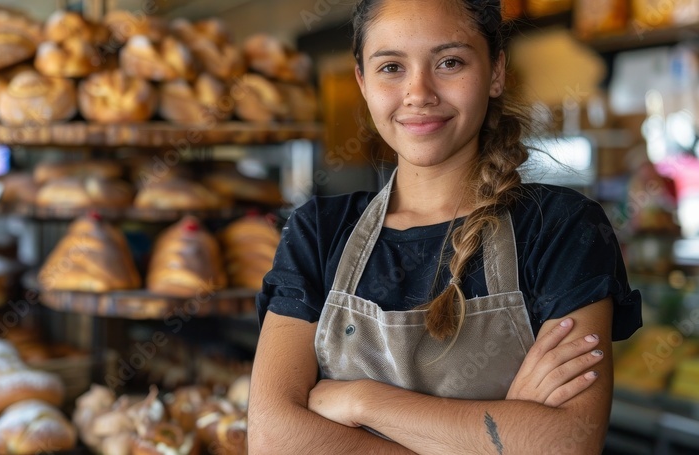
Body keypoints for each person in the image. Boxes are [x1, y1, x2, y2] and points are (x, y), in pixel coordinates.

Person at [248, 0, 642, 453]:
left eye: (450, 62)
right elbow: (272, 439)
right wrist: (496, 439)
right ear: (362, 81)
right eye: (391, 67)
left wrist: (361, 401)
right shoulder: (317, 233)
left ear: (495, 72)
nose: (419, 93)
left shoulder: (562, 229)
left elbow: (564, 445)